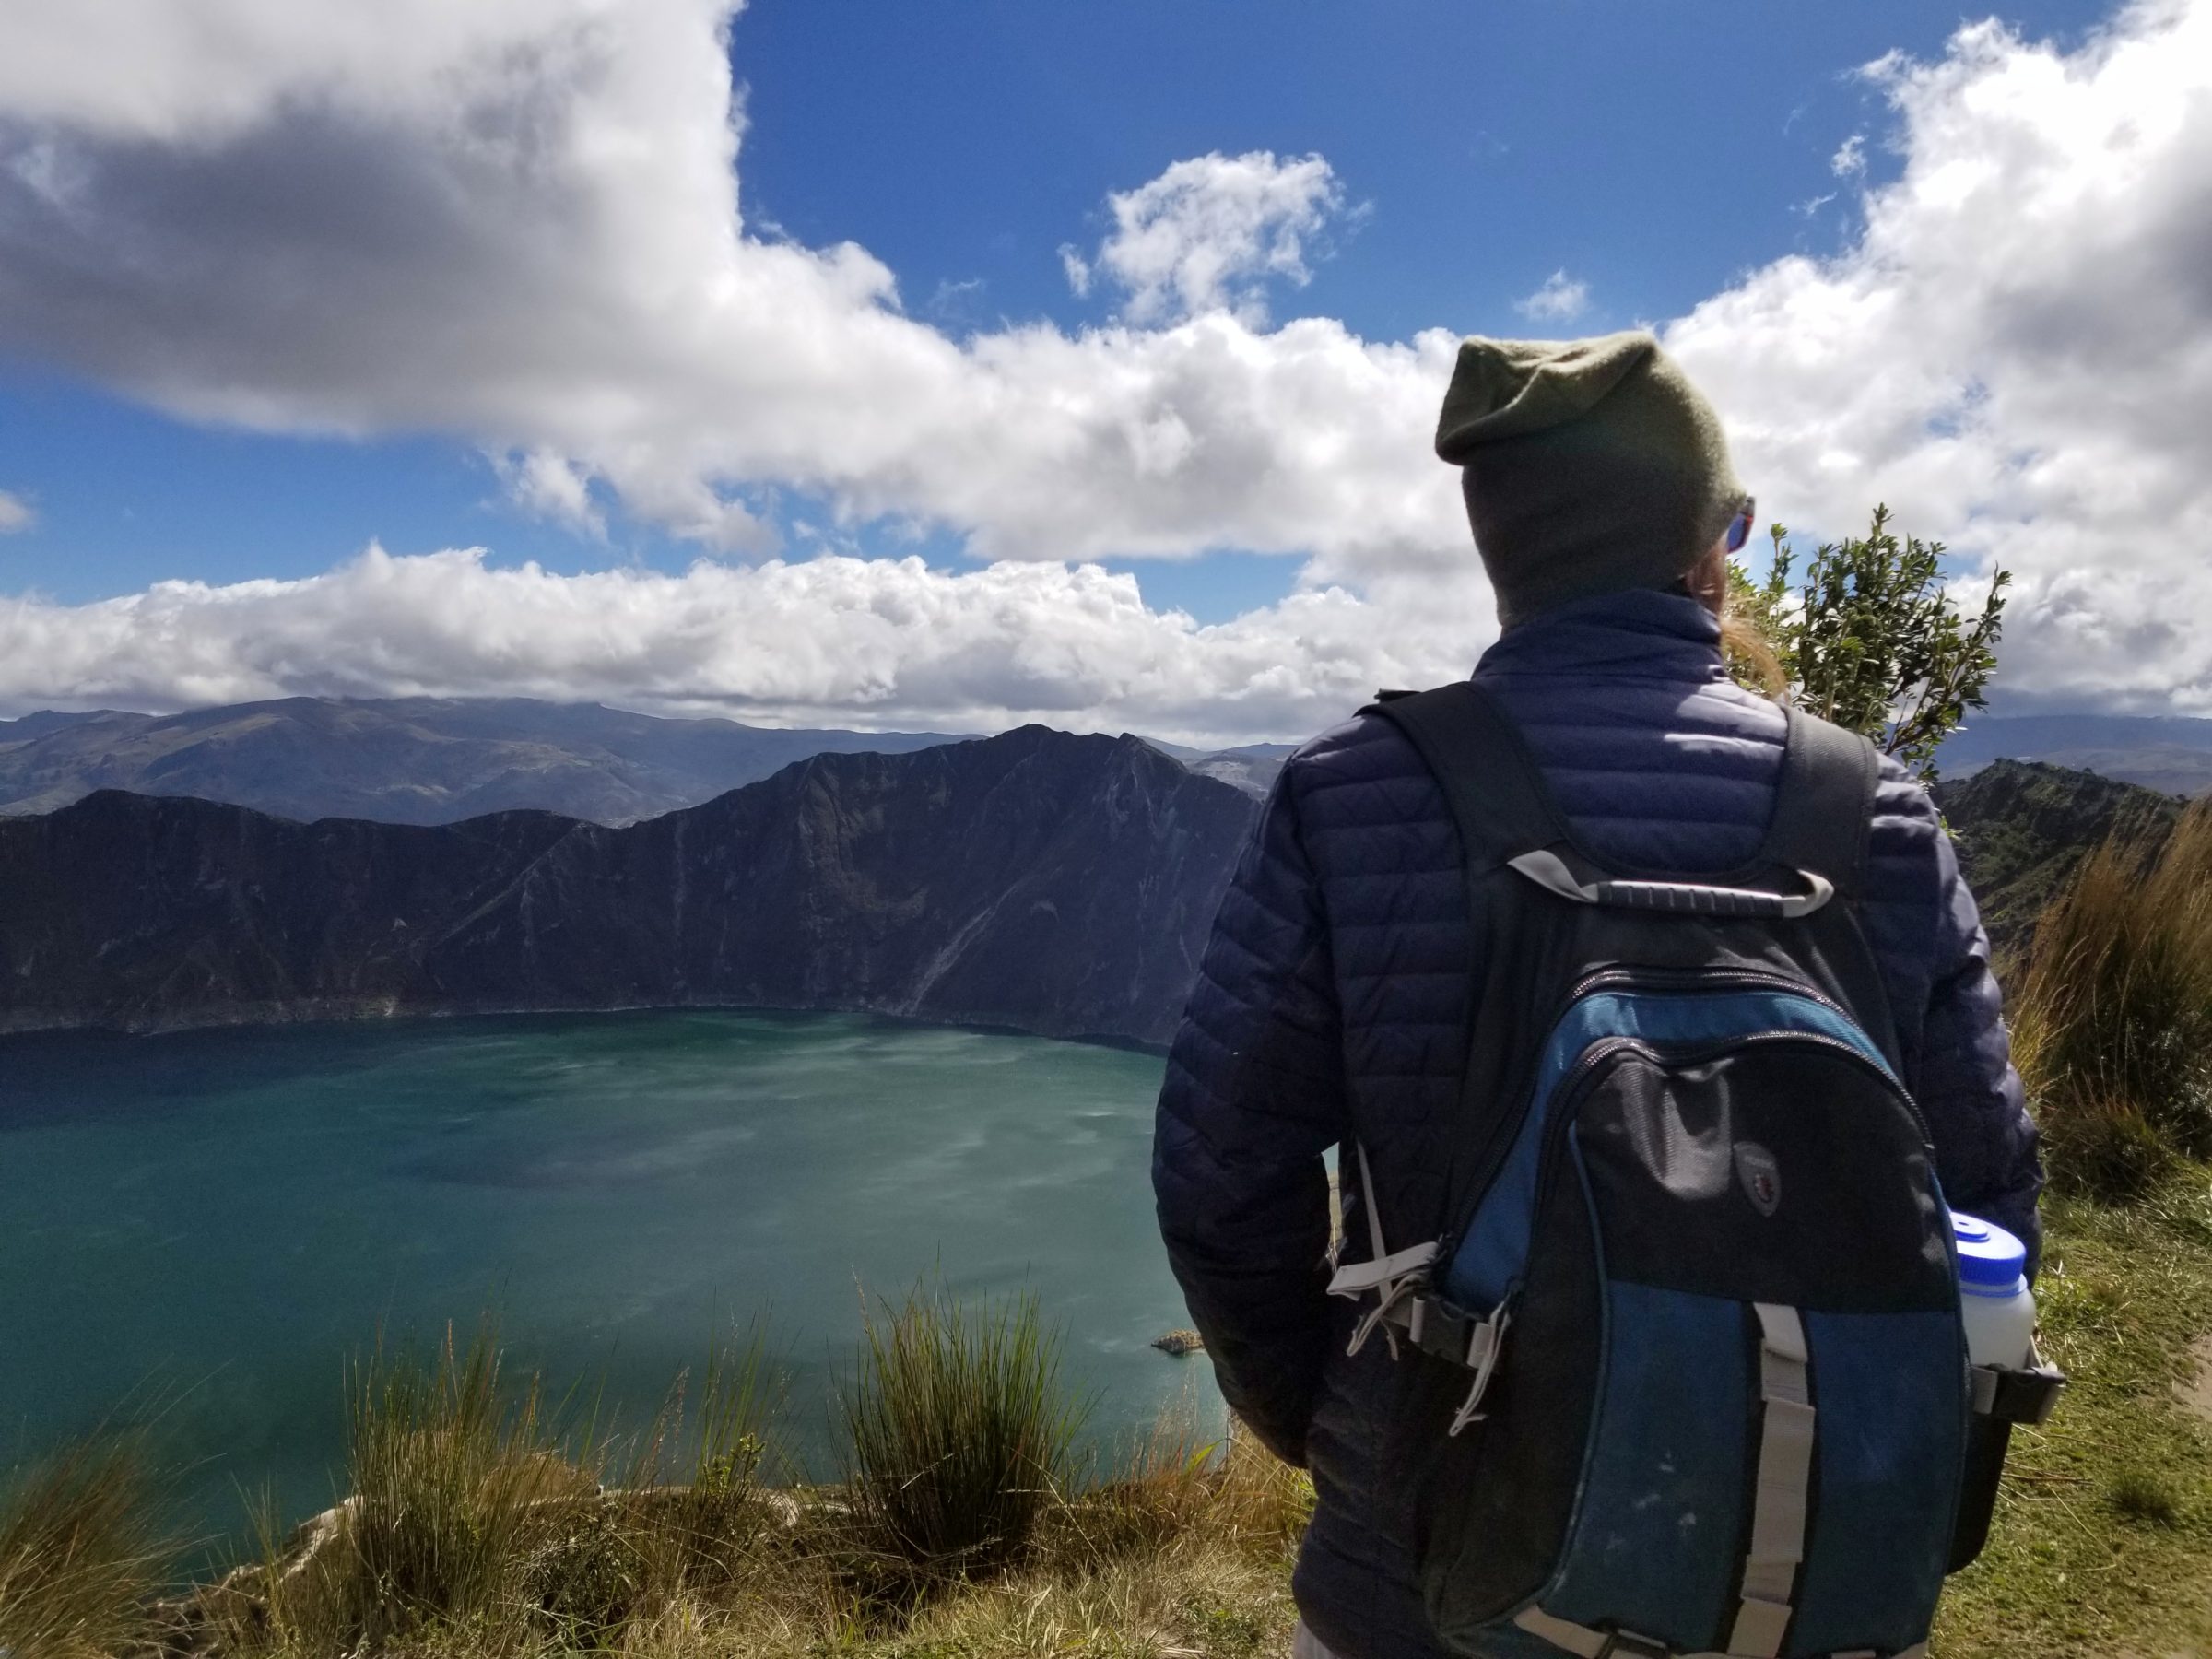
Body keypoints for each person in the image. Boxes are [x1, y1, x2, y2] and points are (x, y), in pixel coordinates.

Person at [1151, 331, 2041, 1659]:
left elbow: (1222, 1178)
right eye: (1732, 517)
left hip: (1424, 1582)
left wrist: (1354, 1426)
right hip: (1806, 1581)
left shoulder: (1356, 794)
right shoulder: (1877, 817)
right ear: (1705, 546)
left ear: (1505, 557)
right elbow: (1985, 1193)